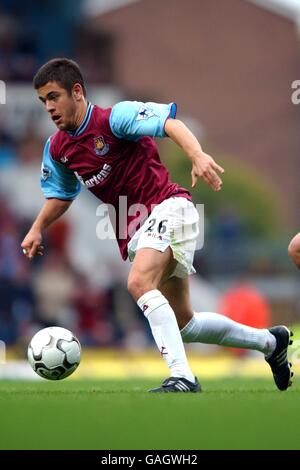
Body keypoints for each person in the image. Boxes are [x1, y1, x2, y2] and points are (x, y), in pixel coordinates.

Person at [21, 58, 293, 392]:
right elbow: (61, 195)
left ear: (76, 91)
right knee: (185, 324)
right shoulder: (58, 148)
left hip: (169, 207)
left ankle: (182, 376)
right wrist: (37, 228)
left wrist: (197, 155)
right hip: (138, 229)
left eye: (53, 97)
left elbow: (169, 123)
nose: (48, 107)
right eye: (43, 101)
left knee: (138, 282)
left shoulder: (114, 118)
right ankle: (271, 343)